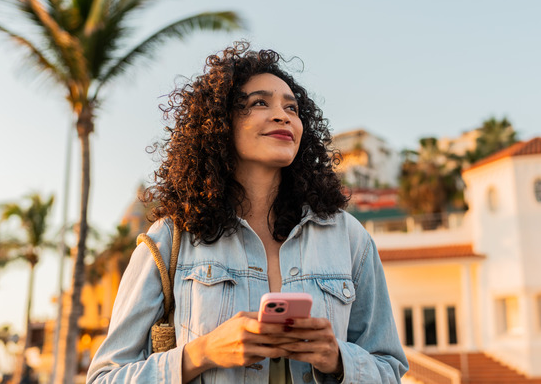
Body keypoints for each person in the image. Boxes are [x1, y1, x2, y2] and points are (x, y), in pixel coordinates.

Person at [86, 42, 407, 383]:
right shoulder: (169, 238)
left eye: (292, 108)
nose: (283, 115)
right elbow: (105, 377)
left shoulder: (349, 237)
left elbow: (389, 368)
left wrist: (339, 359)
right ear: (220, 123)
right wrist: (202, 353)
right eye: (259, 103)